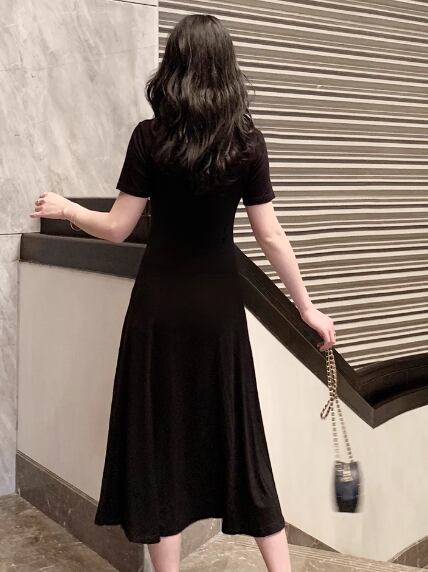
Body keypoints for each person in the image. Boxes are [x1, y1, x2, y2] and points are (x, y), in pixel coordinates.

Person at [30, 13, 336, 572]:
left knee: (160, 445)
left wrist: (67, 208)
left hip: (159, 310)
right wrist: (308, 308)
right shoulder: (247, 141)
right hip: (219, 313)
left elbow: (118, 227)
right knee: (241, 442)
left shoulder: (150, 138)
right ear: (226, 69)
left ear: (174, 67)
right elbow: (270, 236)